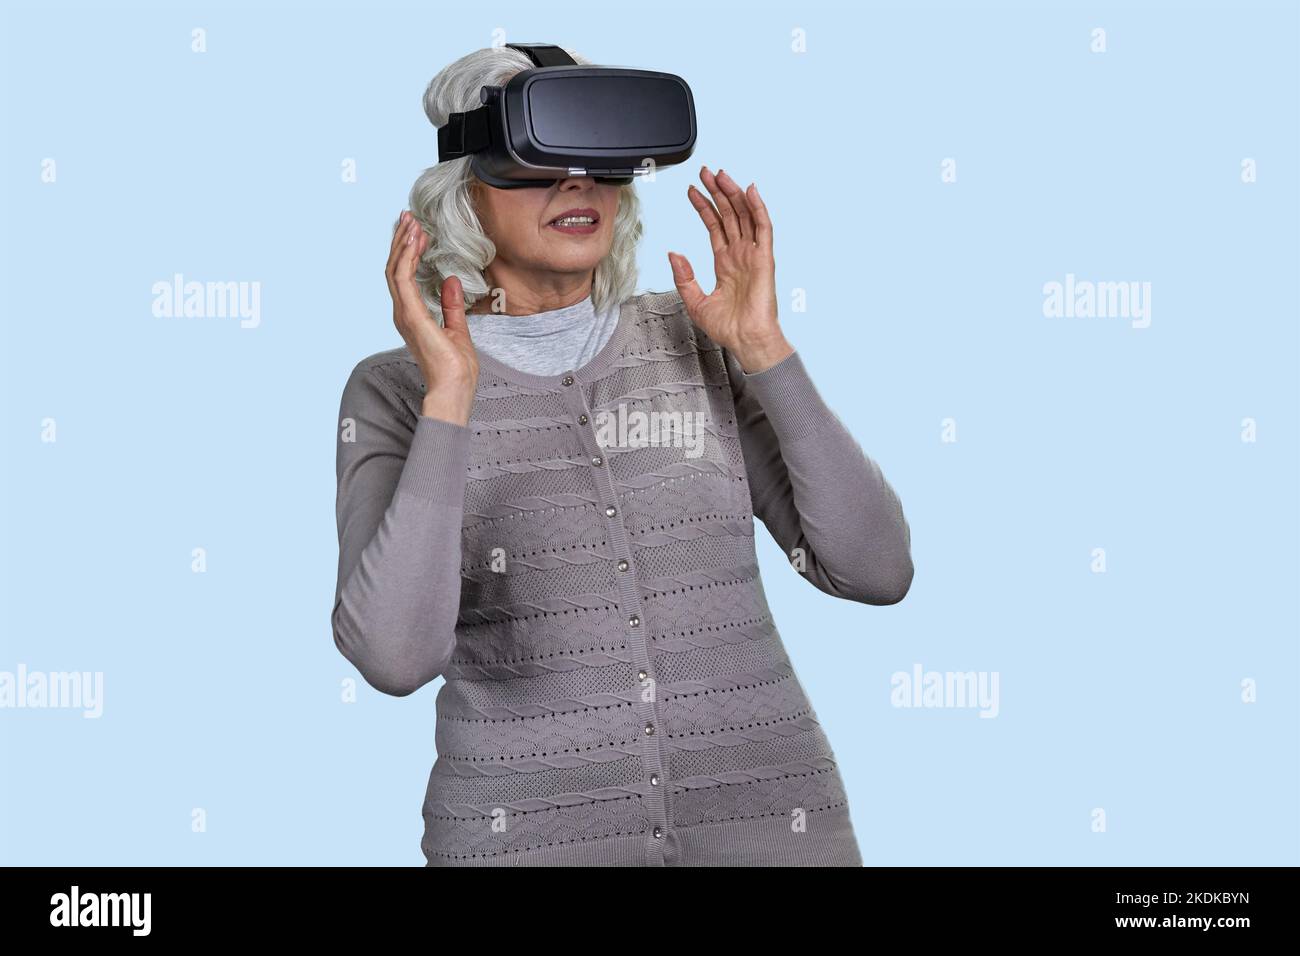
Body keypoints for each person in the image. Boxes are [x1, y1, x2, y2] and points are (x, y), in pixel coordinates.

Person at [333, 45, 913, 866]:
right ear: (464, 190)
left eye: (599, 162)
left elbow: (875, 571)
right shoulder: (398, 390)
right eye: (539, 161)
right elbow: (395, 657)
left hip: (776, 829)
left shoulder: (697, 336)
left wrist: (765, 351)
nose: (577, 183)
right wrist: (452, 400)